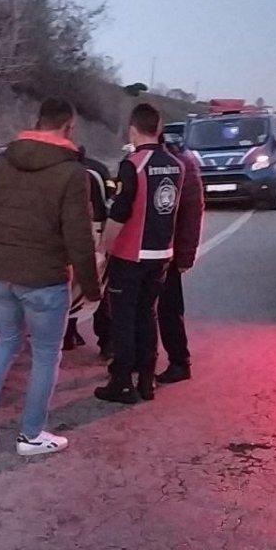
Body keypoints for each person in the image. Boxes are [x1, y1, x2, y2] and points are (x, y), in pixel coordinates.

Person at [0, 98, 101, 456]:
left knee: (5, 341)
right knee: (45, 354)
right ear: (69, 128)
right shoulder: (72, 173)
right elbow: (79, 237)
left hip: (3, 273)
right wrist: (92, 286)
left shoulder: (2, 164)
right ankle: (31, 435)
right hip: (45, 279)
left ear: (37, 123)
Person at [94, 103, 185, 404]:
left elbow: (120, 212)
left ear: (133, 129)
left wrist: (103, 249)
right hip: (161, 253)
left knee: (122, 318)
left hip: (131, 254)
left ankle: (121, 382)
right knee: (148, 315)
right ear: (158, 128)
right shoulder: (176, 164)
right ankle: (147, 380)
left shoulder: (133, 164)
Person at [155, 132, 204, 384]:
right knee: (154, 308)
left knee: (168, 307)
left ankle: (179, 361)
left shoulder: (181, 166)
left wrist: (185, 255)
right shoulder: (168, 162)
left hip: (169, 252)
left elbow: (191, 215)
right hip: (156, 249)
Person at [63, 145, 113, 351]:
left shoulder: (63, 172)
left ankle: (68, 334)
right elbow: (110, 200)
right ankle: (107, 342)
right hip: (96, 229)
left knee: (70, 286)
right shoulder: (99, 169)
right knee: (100, 285)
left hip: (70, 231)